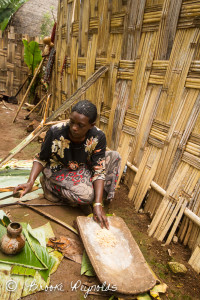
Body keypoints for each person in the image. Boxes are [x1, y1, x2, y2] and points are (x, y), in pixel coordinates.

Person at [14, 100, 121, 229]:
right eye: (72, 122)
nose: (74, 127)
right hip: (59, 168)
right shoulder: (55, 132)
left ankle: (96, 202)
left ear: (91, 125)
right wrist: (30, 182)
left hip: (82, 166)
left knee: (115, 157)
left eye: (80, 125)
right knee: (86, 195)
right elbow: (41, 159)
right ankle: (50, 187)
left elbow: (99, 169)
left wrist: (98, 203)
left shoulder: (98, 137)